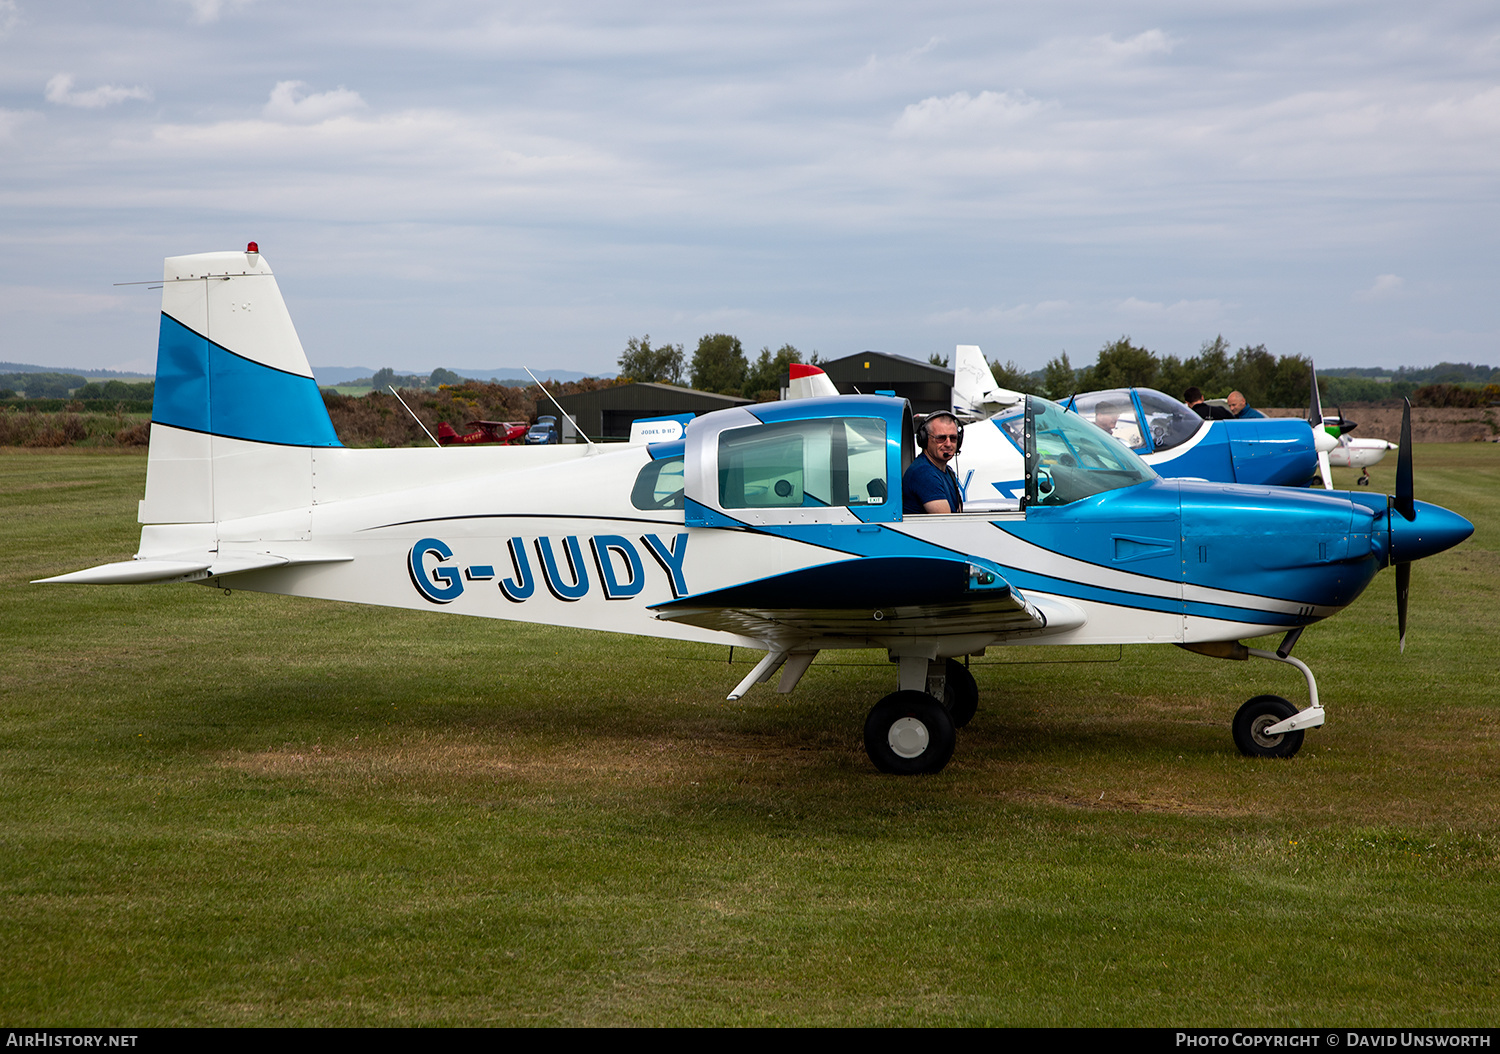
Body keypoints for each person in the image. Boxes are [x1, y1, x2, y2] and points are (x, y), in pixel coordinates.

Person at [902, 411, 963, 514]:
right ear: (924, 439)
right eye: (941, 438)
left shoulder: (948, 472)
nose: (948, 444)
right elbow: (947, 523)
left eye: (953, 438)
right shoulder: (923, 473)